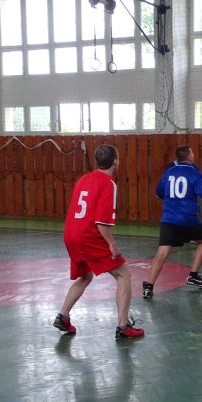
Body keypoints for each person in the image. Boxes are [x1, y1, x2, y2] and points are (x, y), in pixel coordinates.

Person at [54, 144, 144, 340]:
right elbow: (101, 222)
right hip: (88, 236)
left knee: (85, 276)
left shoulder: (84, 179)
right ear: (116, 161)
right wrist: (112, 244)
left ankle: (63, 316)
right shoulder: (108, 184)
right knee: (124, 274)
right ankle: (123, 326)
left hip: (70, 233)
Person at [142, 145, 202, 298]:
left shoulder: (169, 172)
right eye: (192, 153)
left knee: (162, 251)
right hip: (189, 219)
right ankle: (193, 275)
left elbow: (158, 194)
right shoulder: (193, 172)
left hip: (169, 219)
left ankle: (149, 285)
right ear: (189, 157)